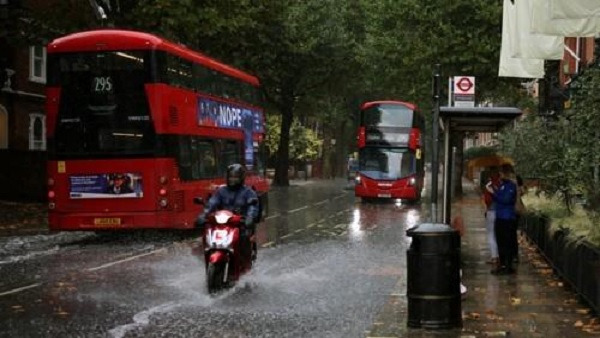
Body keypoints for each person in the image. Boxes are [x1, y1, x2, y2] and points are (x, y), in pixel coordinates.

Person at [196, 164, 259, 261]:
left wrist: (250, 217)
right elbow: (212, 202)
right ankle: (209, 254)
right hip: (223, 224)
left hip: (240, 224)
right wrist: (204, 214)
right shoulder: (221, 191)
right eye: (231, 177)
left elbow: (253, 206)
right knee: (207, 233)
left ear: (241, 178)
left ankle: (245, 260)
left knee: (244, 238)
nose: (232, 179)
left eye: (236, 177)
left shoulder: (248, 192)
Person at [487, 164, 518, 275]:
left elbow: (505, 199)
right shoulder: (503, 185)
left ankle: (507, 265)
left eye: (501, 173)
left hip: (507, 217)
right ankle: (503, 264)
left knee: (506, 242)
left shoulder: (511, 186)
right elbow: (500, 196)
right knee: (500, 241)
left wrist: (493, 193)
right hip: (500, 216)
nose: (499, 175)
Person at [483, 169, 501, 268]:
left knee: (491, 234)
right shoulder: (502, 184)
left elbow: (487, 200)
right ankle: (498, 255)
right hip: (501, 212)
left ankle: (494, 256)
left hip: (492, 211)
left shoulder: (489, 185)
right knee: (498, 234)